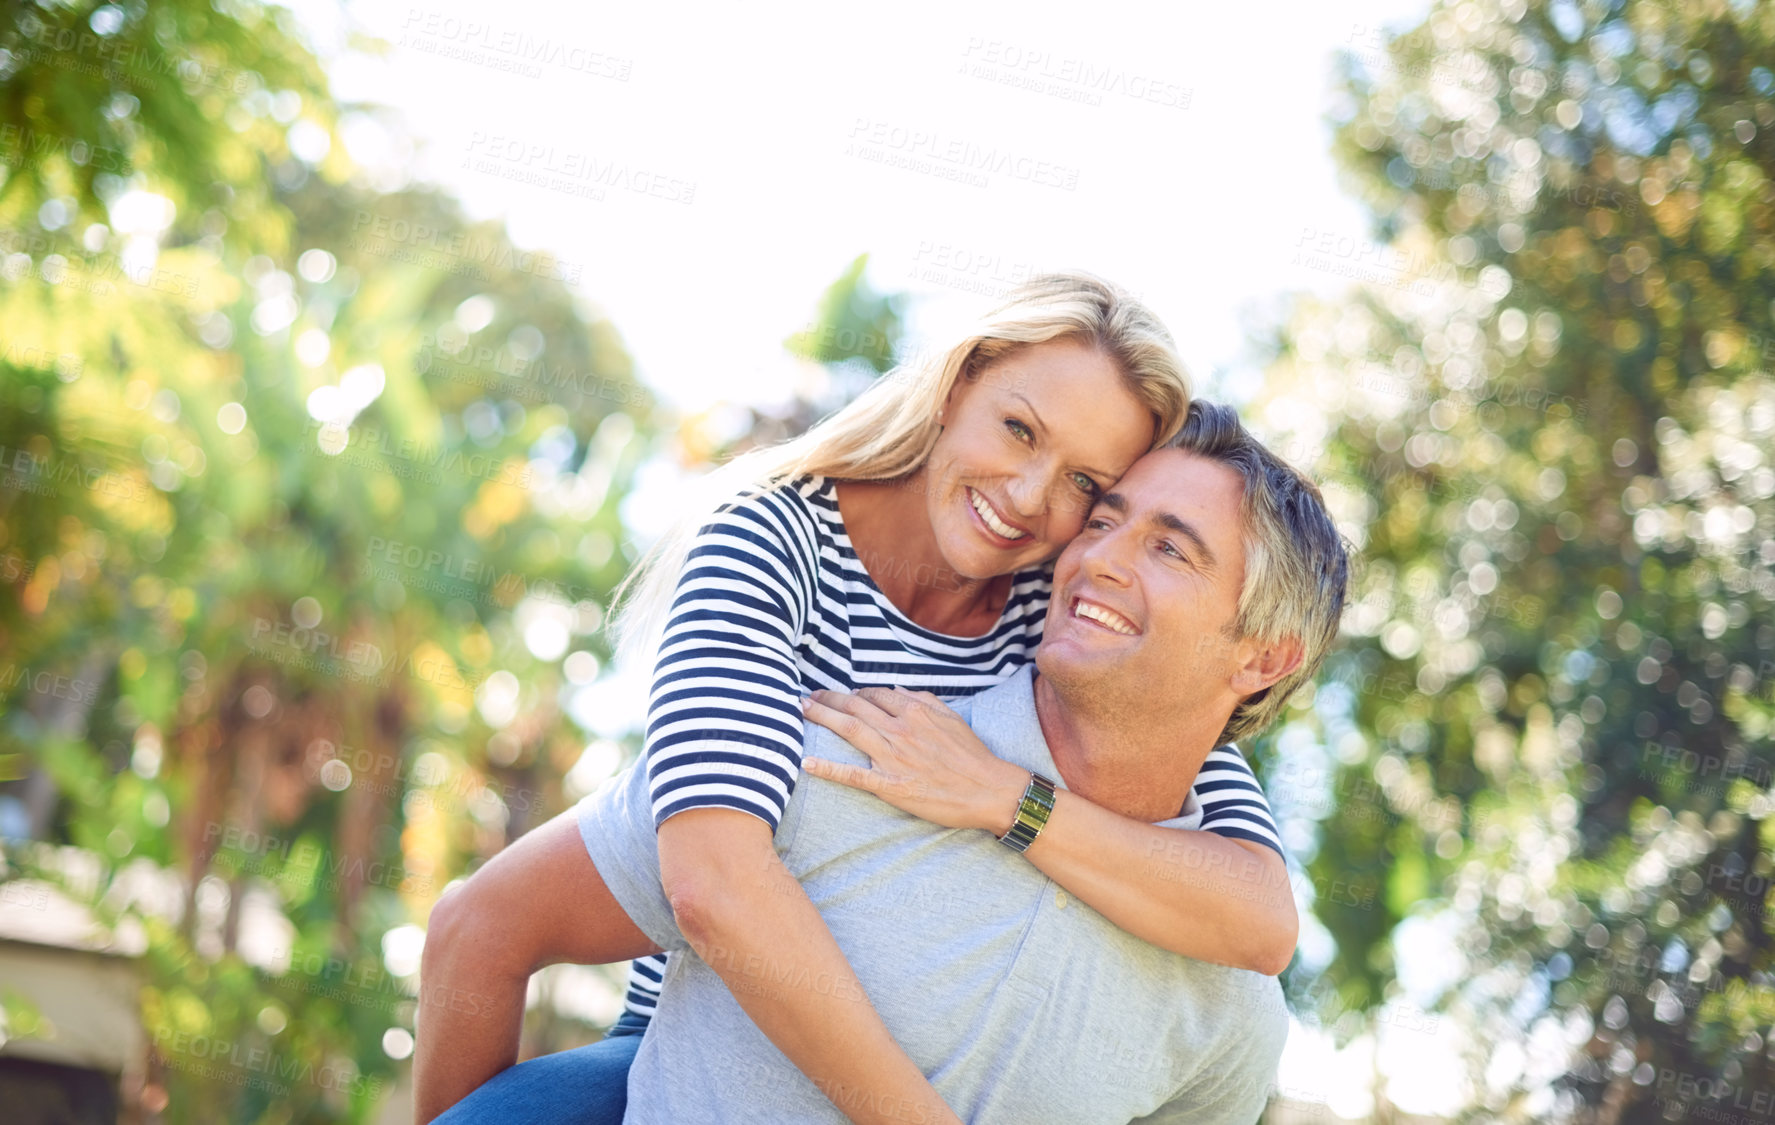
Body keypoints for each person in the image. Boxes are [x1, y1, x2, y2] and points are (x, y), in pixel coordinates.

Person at [415, 276, 1298, 1124]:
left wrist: (1006, 801)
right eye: (1020, 430)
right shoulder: (768, 545)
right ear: (955, 385)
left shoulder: (1067, 610)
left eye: (1084, 486)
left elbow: (1259, 920)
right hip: (701, 1023)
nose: (1030, 499)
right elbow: (712, 886)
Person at [567, 402, 1350, 1122]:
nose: (1098, 556)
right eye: (1102, 520)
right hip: (647, 1029)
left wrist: (1011, 798)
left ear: (1265, 658)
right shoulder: (830, 743)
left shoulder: (1228, 1004)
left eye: (1169, 548)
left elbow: (1263, 920)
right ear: (945, 402)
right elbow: (504, 919)